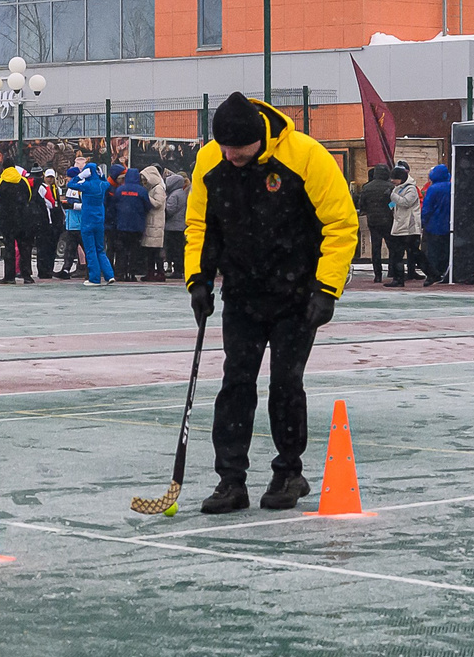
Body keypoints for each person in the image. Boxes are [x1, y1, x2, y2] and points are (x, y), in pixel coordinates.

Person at [185, 91, 357, 514]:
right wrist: (198, 279)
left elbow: (340, 223)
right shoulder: (211, 161)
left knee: (285, 383)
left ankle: (288, 472)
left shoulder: (306, 157)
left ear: (259, 138)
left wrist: (326, 289)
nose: (231, 155)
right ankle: (230, 480)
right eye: (224, 147)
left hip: (296, 297)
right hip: (242, 294)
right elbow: (200, 224)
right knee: (236, 384)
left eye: (239, 149)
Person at [0, 160, 37, 283]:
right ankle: (27, 276)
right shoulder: (23, 181)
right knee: (25, 247)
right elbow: (29, 196)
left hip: (7, 219)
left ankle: (9, 277)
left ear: (3, 168)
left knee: (9, 247)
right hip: (23, 218)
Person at [71, 156, 114, 284]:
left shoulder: (86, 185)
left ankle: (94, 278)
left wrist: (80, 176)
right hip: (99, 220)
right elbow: (106, 183)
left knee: (90, 250)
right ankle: (109, 274)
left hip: (87, 220)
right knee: (100, 249)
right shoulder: (103, 184)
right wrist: (100, 176)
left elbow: (70, 184)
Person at [354, 161, 395, 284]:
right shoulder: (390, 187)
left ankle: (377, 274)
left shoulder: (367, 187)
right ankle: (392, 270)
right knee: (392, 246)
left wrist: (367, 210)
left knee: (375, 248)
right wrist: (389, 207)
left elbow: (362, 204)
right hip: (388, 220)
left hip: (373, 221)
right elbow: (394, 203)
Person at [108, 159, 147, 279]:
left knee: (121, 250)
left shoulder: (119, 190)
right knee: (134, 250)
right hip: (137, 226)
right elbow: (147, 206)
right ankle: (132, 273)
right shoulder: (141, 191)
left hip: (122, 225)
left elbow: (113, 206)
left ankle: (120, 273)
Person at [387, 163, 423, 287]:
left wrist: (392, 196)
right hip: (401, 225)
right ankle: (398, 279)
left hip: (408, 227)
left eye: (394, 178)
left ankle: (430, 272)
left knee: (410, 253)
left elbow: (406, 202)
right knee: (400, 254)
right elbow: (396, 203)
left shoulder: (410, 189)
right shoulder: (398, 187)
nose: (392, 181)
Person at [420, 161, 452, 284]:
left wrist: (423, 221)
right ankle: (444, 272)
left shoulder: (432, 189)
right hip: (448, 225)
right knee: (445, 250)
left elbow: (427, 207)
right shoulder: (450, 187)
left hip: (434, 225)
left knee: (433, 251)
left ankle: (433, 274)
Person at [55, 159, 86, 278]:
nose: (66, 179)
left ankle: (91, 269)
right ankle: (66, 269)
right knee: (70, 249)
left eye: (68, 177)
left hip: (79, 224)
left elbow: (86, 205)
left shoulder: (79, 189)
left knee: (83, 248)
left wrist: (72, 206)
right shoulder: (70, 189)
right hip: (71, 224)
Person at [139, 158, 167, 279]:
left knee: (155, 251)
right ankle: (152, 272)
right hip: (152, 223)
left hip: (156, 223)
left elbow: (158, 203)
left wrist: (146, 198)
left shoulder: (158, 188)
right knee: (151, 252)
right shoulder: (153, 188)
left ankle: (159, 272)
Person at [36, 168, 65, 279]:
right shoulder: (43, 188)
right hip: (47, 221)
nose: (50, 179)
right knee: (44, 247)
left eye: (51, 177)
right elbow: (49, 204)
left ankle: (49, 268)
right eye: (48, 177)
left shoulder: (56, 189)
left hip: (55, 221)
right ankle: (43, 270)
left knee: (52, 247)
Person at [163, 170, 190, 281]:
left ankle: (177, 270)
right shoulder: (183, 193)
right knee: (180, 249)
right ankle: (180, 268)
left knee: (173, 249)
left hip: (172, 226)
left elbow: (170, 210)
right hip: (181, 225)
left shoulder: (174, 195)